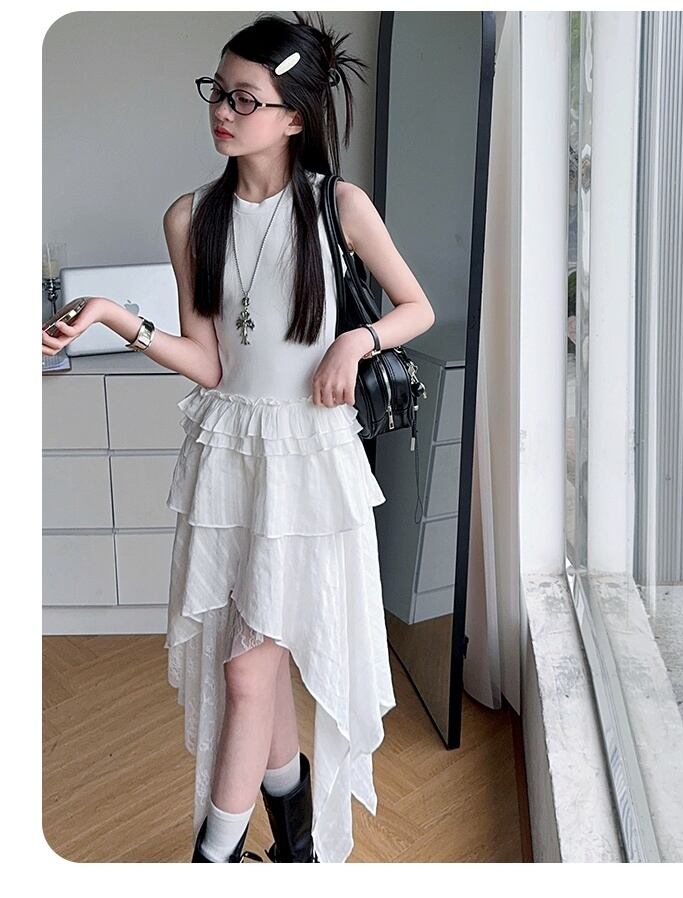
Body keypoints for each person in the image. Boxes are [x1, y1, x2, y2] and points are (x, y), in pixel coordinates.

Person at [42, 12, 435, 864]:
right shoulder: (191, 217)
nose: (222, 111)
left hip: (309, 461)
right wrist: (112, 316)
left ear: (294, 116)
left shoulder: (338, 206)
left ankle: (212, 861)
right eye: (217, 92)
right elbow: (210, 363)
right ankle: (293, 846)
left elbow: (417, 307)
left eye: (244, 99)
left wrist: (357, 340)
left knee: (247, 670)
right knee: (256, 663)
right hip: (229, 456)